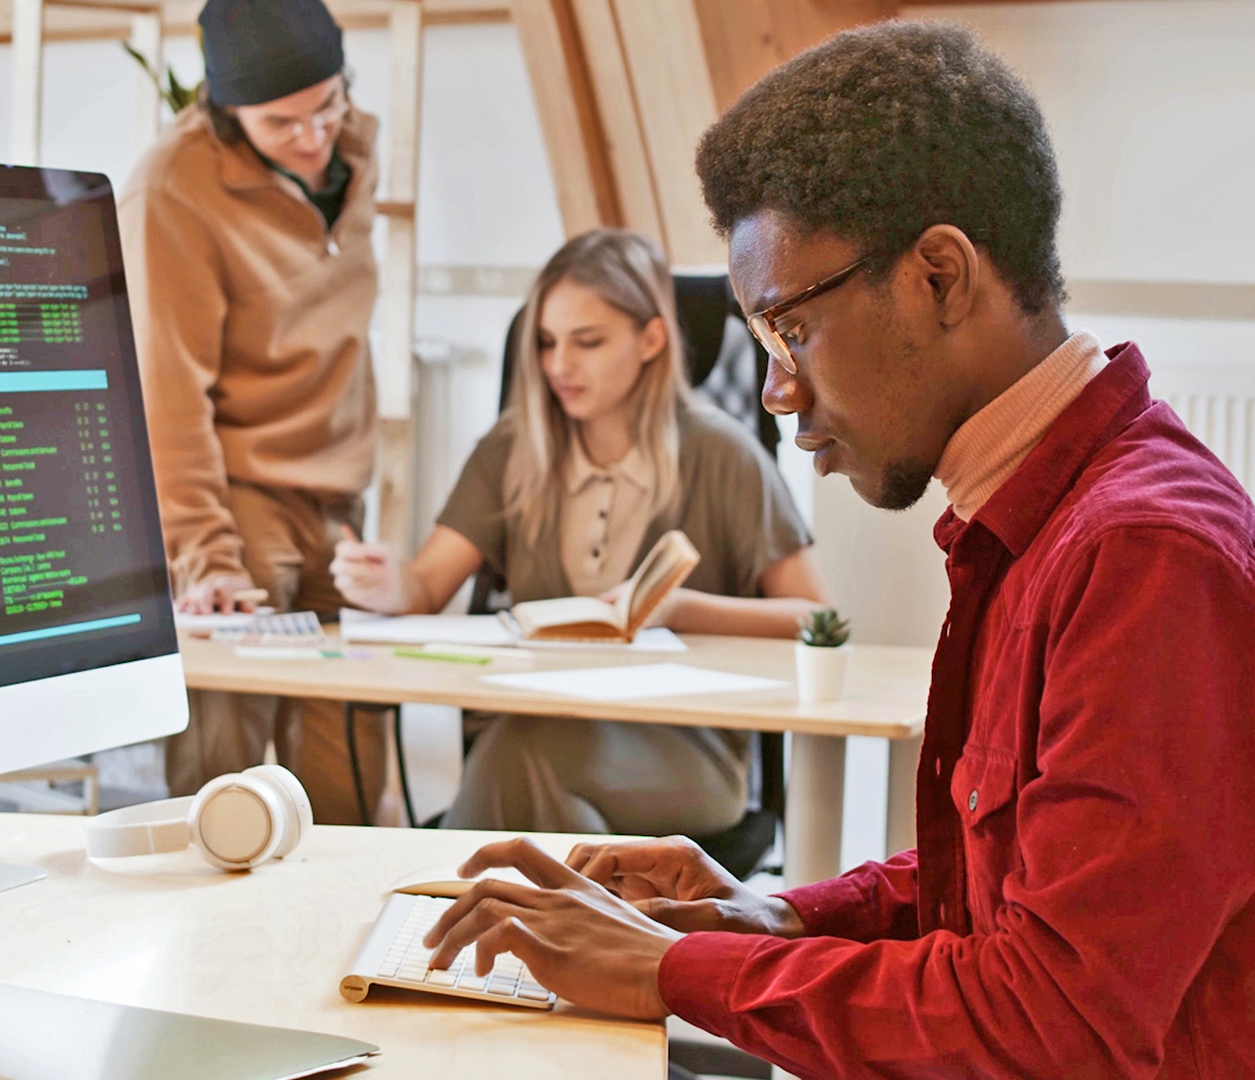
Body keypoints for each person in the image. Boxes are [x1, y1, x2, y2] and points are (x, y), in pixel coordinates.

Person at [418, 23, 1255, 1079]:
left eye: (791, 332)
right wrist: (765, 913)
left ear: (940, 276)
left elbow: (1055, 1021)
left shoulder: (1141, 556)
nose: (777, 391)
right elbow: (998, 894)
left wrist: (672, 970)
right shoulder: (1043, 518)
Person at [333, 229, 829, 836]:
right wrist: (385, 585)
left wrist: (679, 609)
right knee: (550, 804)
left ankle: (430, 905)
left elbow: (819, 620)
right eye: (546, 342)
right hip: (535, 724)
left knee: (520, 760)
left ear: (651, 339)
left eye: (587, 342)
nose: (559, 366)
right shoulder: (511, 451)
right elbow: (424, 588)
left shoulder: (724, 455)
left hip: (680, 751)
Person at [118, 0, 387, 824]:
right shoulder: (173, 189)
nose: (313, 138)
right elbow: (167, 394)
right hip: (238, 503)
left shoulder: (353, 144)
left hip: (340, 500)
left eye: (326, 106)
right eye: (282, 123)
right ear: (226, 110)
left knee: (348, 777)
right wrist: (206, 556)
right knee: (227, 794)